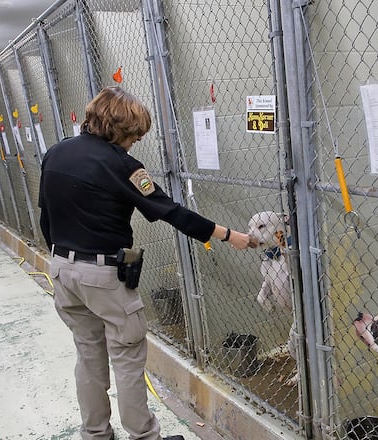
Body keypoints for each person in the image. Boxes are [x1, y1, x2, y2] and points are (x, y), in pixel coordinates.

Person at [39, 86, 258, 440]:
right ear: (118, 128)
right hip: (102, 275)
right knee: (127, 358)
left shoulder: (56, 152)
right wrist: (228, 235)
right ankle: (144, 436)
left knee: (88, 356)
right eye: (134, 135)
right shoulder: (120, 165)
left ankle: (95, 434)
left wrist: (62, 259)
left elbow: (45, 216)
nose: (135, 143)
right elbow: (170, 211)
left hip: (62, 269)